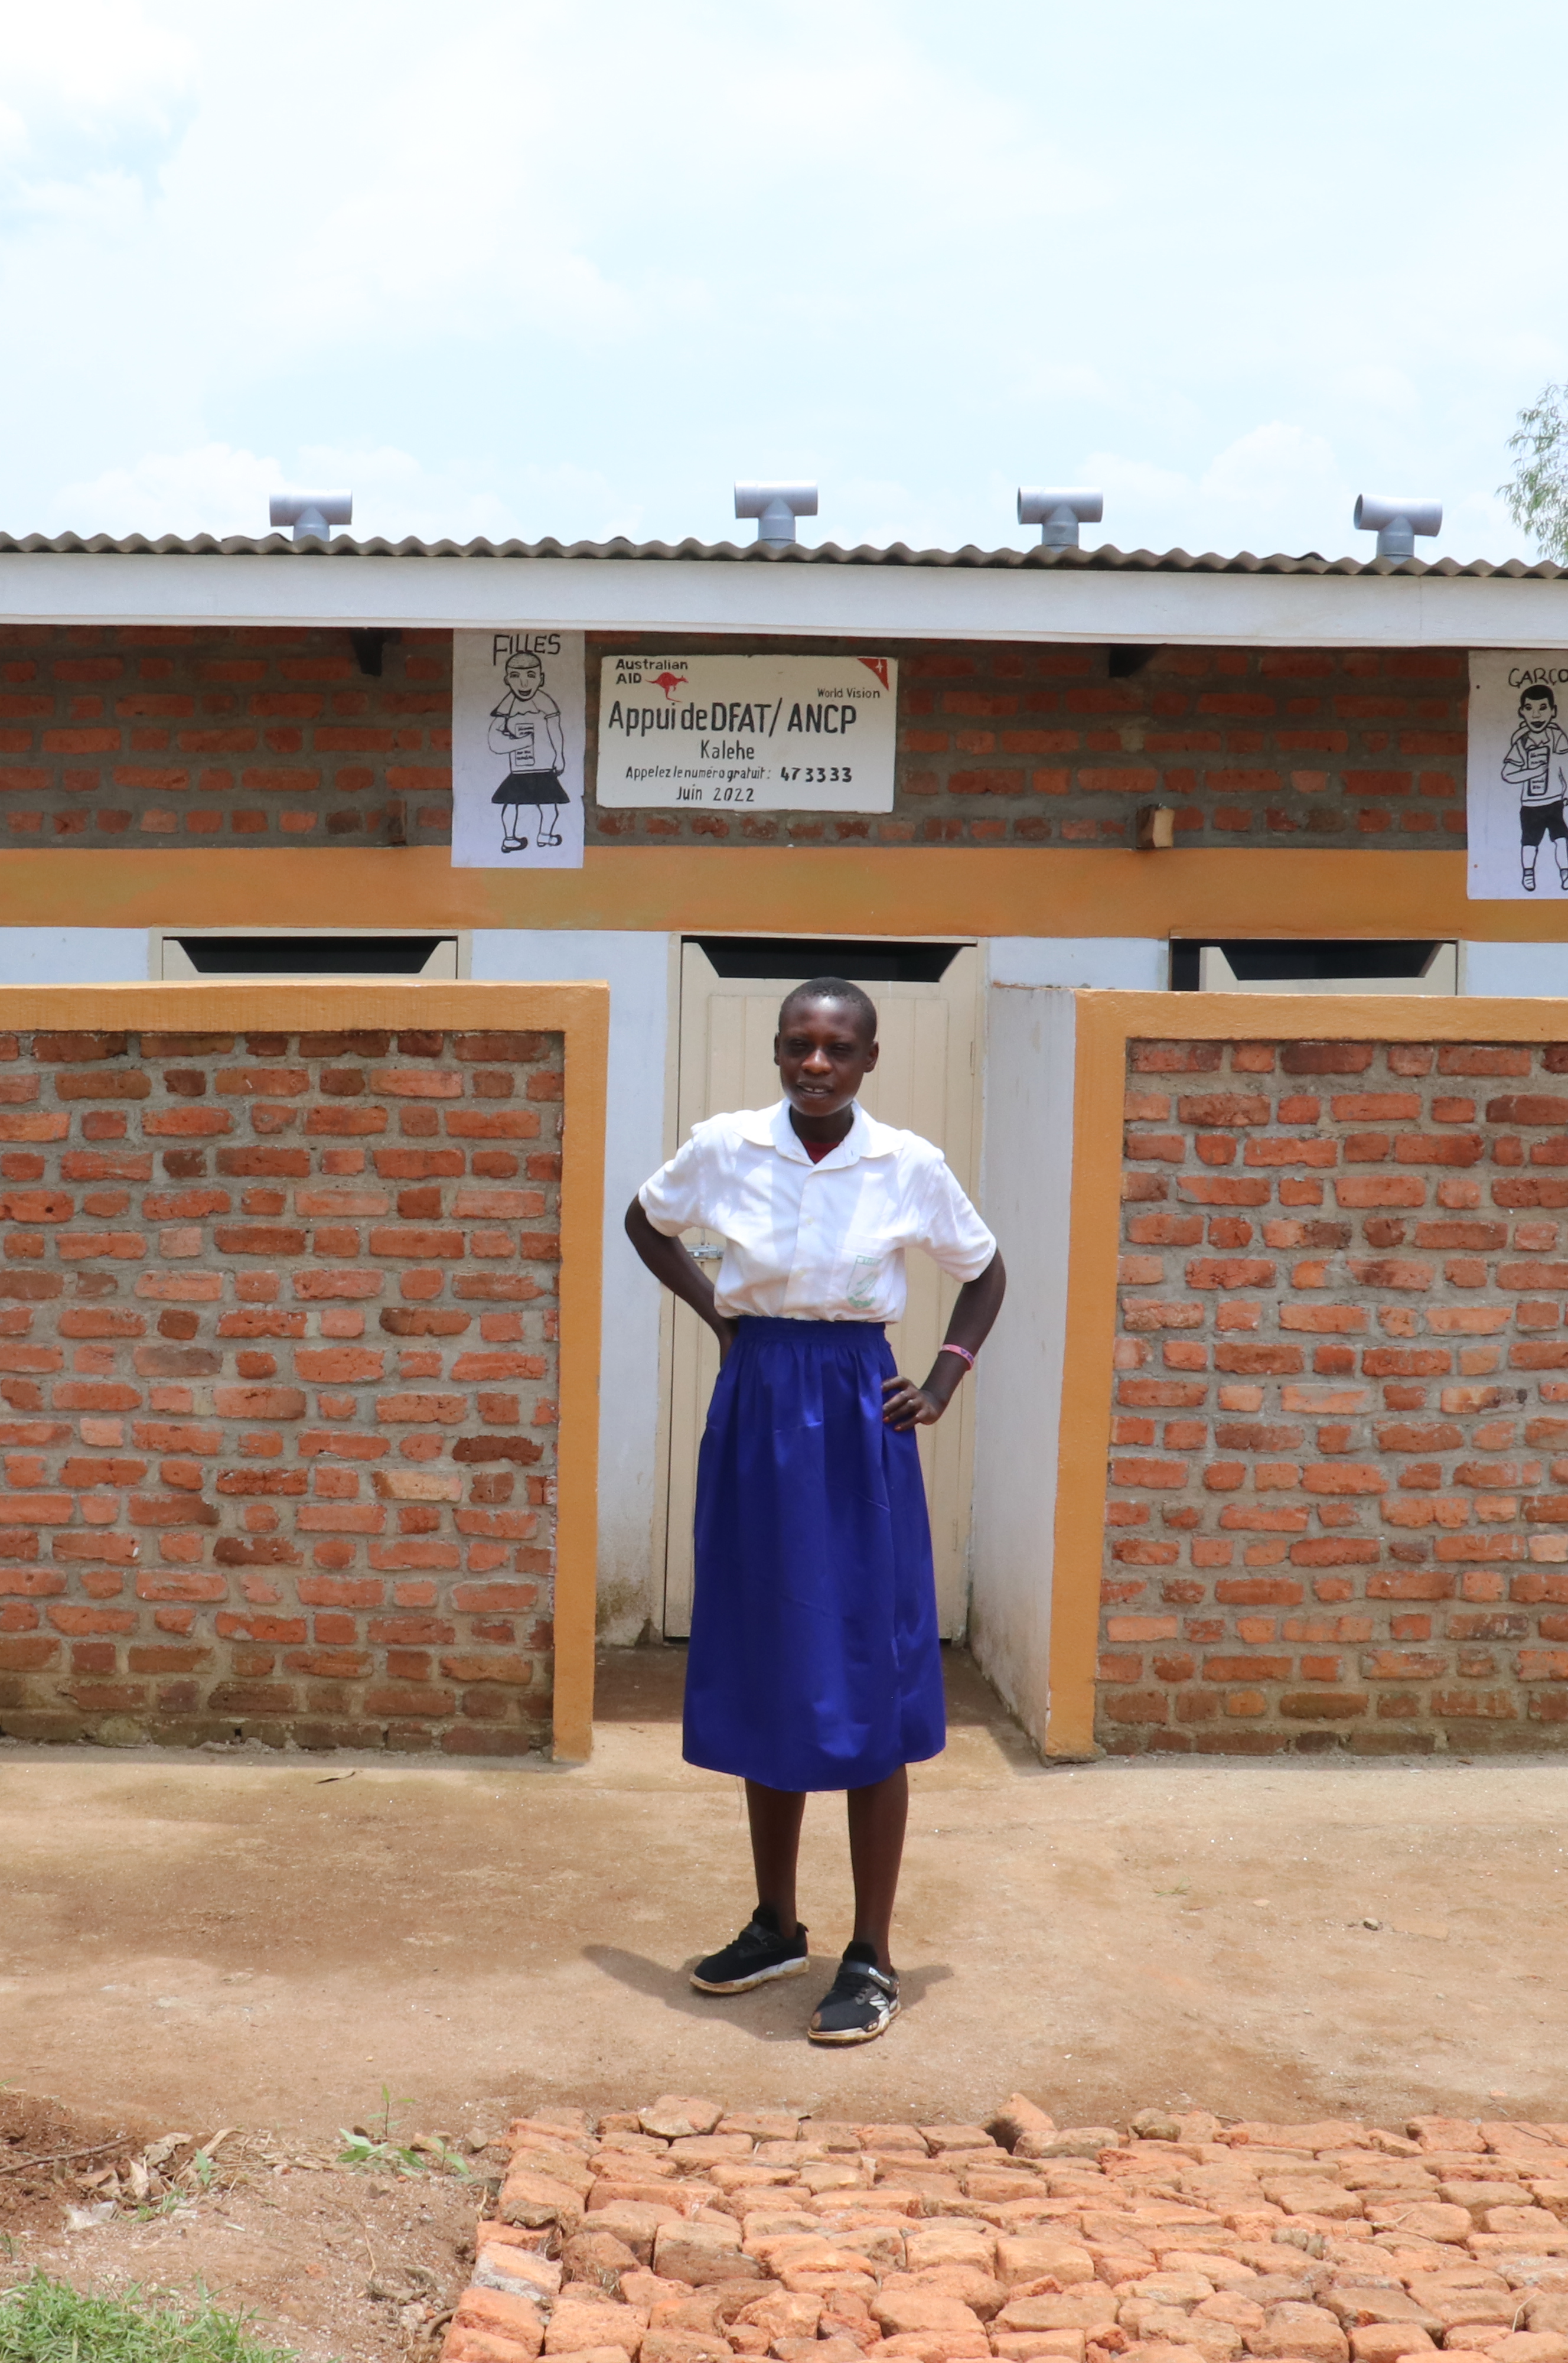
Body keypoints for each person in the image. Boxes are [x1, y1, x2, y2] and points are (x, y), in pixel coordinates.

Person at [621, 977, 1006, 2045]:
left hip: (854, 1413)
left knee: (867, 1668)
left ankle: (872, 1950)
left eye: (839, 1049)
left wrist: (940, 1382)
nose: (817, 1065)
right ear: (779, 1051)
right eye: (800, 1046)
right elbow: (646, 1224)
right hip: (755, 1403)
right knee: (765, 1654)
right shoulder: (726, 1146)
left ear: (871, 1060)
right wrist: (718, 1317)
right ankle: (775, 1923)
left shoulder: (909, 1164)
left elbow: (984, 1273)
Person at [486, 647, 571, 852]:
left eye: (531, 676)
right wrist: (520, 743)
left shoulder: (545, 703)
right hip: (520, 768)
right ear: (507, 680)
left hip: (544, 767)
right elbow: (494, 738)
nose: (524, 684)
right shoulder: (507, 705)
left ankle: (545, 835)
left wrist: (559, 756)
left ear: (541, 679)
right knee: (511, 803)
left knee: (550, 806)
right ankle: (509, 839)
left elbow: (555, 729)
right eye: (516, 676)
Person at [1502, 678, 1568, 891]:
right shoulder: (1522, 743)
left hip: (1555, 801)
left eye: (1543, 708)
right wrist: (1531, 772)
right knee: (1530, 842)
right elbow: (1508, 773)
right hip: (1531, 805)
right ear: (1522, 713)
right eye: (1530, 708)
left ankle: (1565, 873)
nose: (1536, 715)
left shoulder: (1557, 737)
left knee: (1561, 838)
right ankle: (1528, 874)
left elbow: (1566, 763)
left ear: (1553, 712)